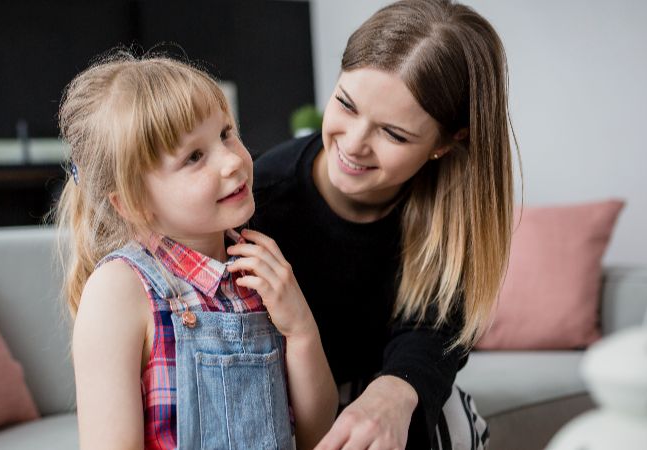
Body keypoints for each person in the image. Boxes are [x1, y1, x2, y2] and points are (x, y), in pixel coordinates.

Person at [251, 0, 516, 448]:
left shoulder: (454, 209)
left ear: (446, 144)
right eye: (346, 105)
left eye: (393, 134)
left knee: (448, 418)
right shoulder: (263, 199)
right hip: (283, 386)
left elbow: (437, 332)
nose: (353, 145)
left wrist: (396, 390)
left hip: (386, 378)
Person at [55, 52, 338, 449]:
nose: (232, 161)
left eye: (225, 133)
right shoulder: (119, 290)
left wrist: (301, 330)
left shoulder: (259, 267)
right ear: (134, 203)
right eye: (194, 156)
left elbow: (318, 435)